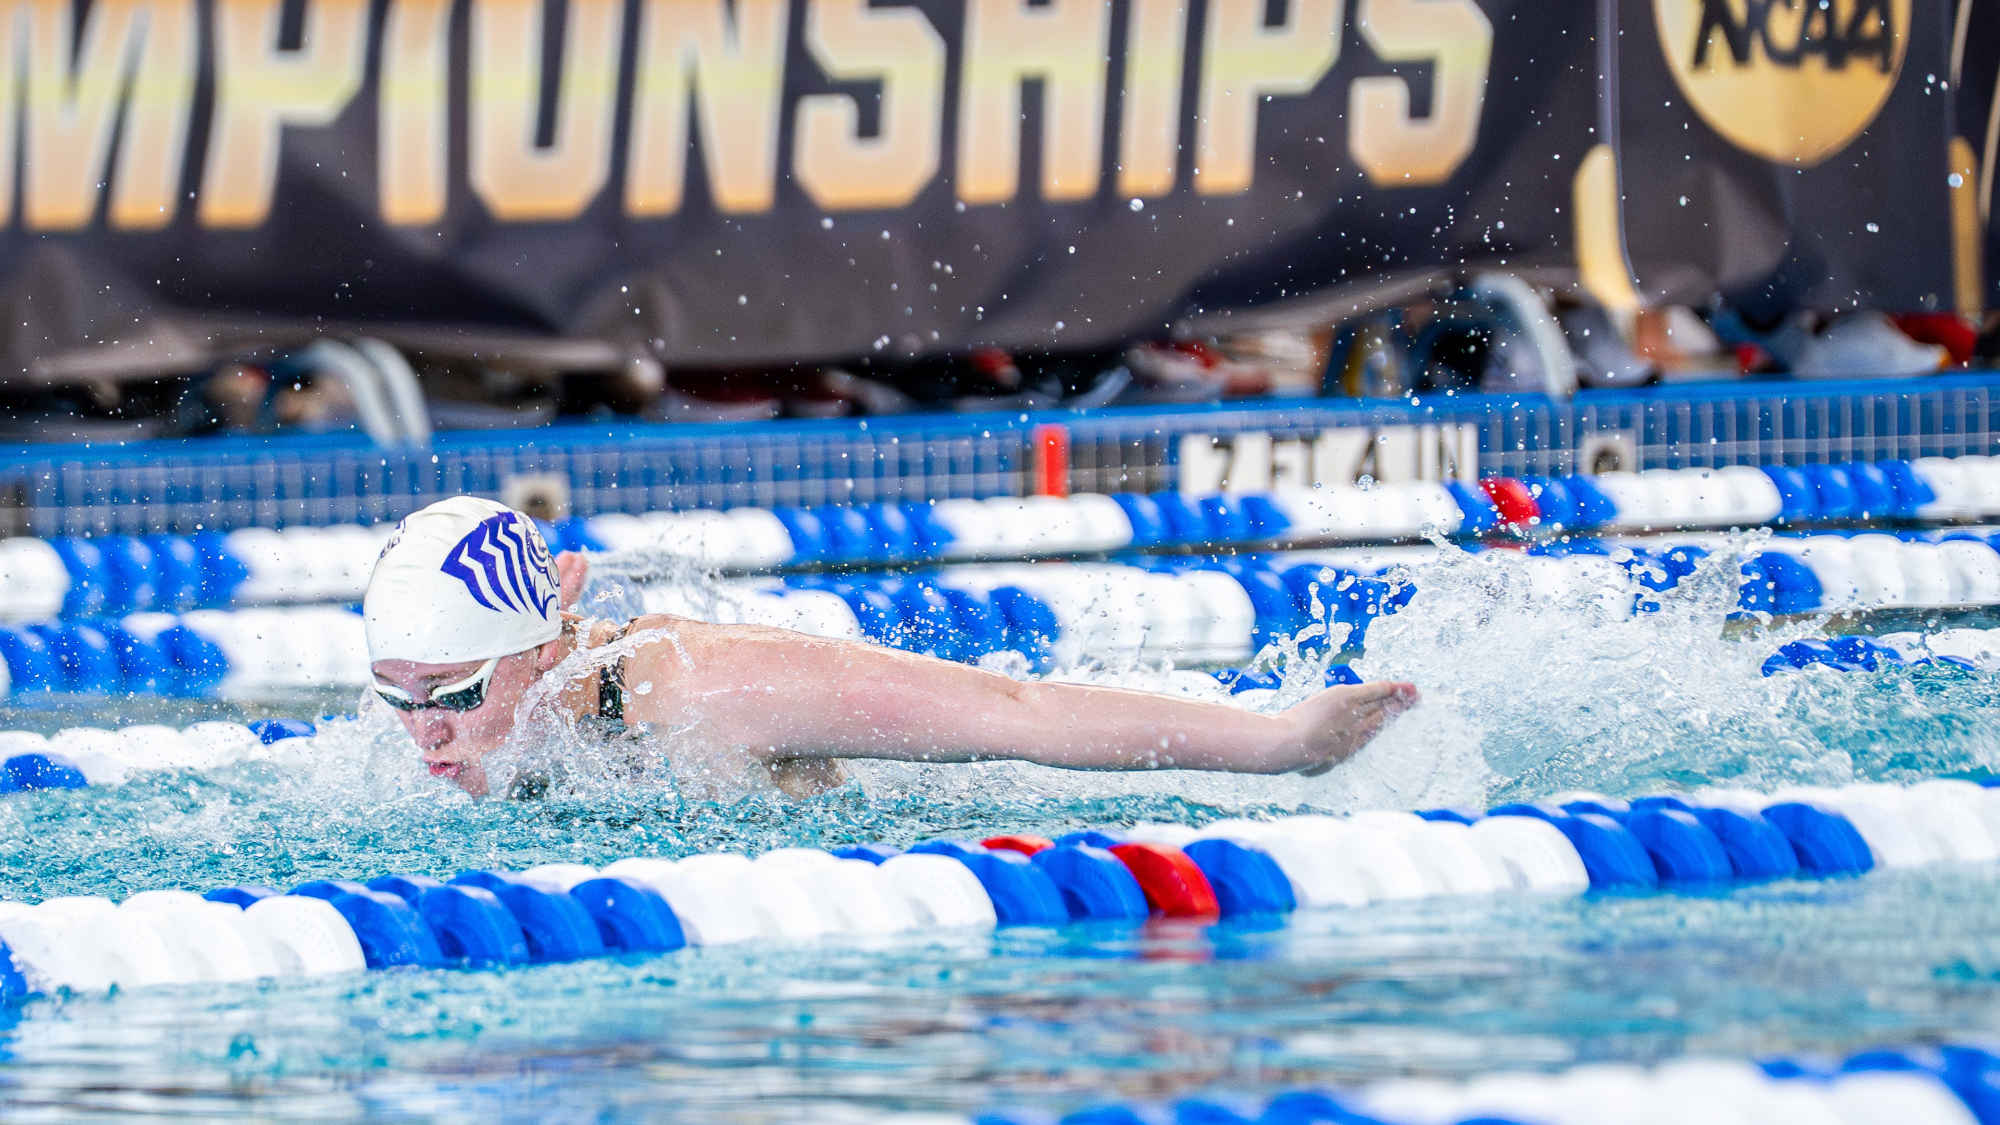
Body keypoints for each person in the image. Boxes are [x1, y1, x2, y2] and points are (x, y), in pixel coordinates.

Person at [365, 497, 1419, 799]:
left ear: (539, 646)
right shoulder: (486, 725)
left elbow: (1021, 718)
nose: (425, 733)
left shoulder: (707, 691)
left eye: (450, 693)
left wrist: (1279, 744)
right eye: (395, 696)